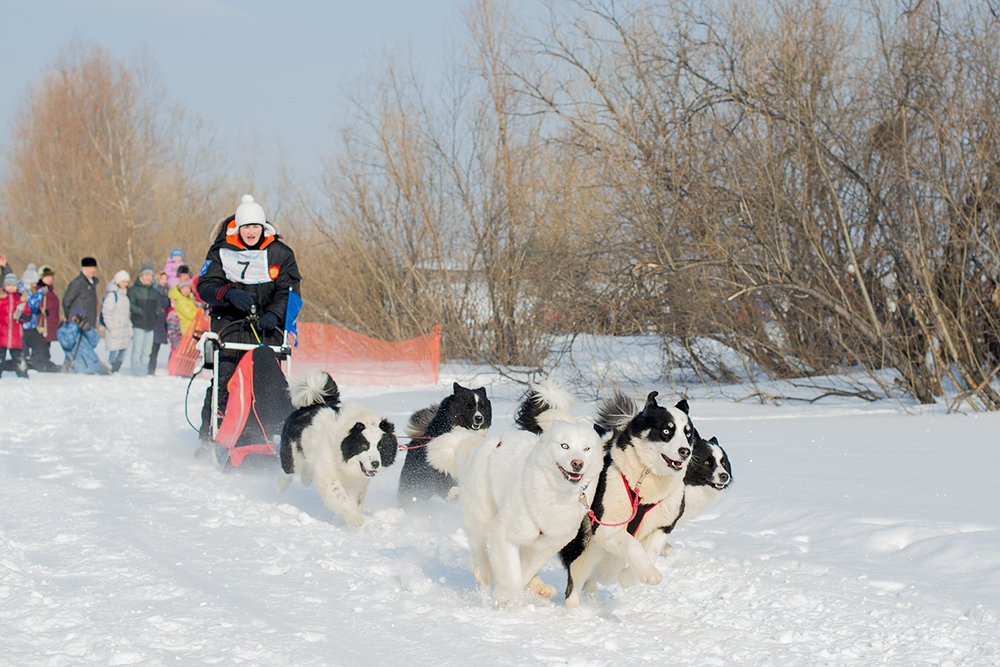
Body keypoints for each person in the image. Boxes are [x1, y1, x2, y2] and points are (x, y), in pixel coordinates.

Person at [196, 194, 301, 451]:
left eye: (256, 226)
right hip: (230, 325)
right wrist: (228, 294)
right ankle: (212, 435)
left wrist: (274, 315)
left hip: (267, 329)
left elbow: (290, 292)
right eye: (246, 227)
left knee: (267, 381)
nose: (251, 232)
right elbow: (205, 286)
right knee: (225, 380)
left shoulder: (280, 253)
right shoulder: (221, 251)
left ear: (263, 227)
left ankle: (266, 433)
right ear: (238, 228)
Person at [24, 265, 61, 372]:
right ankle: (38, 364)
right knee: (41, 346)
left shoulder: (49, 291)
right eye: (46, 277)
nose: (49, 279)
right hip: (41, 324)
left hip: (50, 324)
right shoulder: (39, 291)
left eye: (51, 277)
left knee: (46, 346)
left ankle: (42, 362)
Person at [128, 264, 159, 376]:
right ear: (141, 276)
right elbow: (131, 305)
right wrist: (140, 312)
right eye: (146, 275)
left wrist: (155, 314)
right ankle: (135, 372)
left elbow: (158, 307)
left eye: (150, 275)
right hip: (138, 324)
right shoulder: (134, 290)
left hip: (150, 325)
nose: (148, 278)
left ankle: (143, 371)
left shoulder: (154, 292)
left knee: (147, 351)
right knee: (137, 349)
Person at [1, 273, 31, 378]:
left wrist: (22, 316)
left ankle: (23, 376)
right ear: (4, 286)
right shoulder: (1, 299)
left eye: (14, 285)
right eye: (9, 285)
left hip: (15, 335)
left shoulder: (20, 299)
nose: (11, 287)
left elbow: (27, 314)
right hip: (1, 334)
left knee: (19, 358)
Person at [58, 306, 103, 375]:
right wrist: (74, 325)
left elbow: (94, 342)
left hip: (92, 367)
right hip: (77, 369)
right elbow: (67, 344)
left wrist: (88, 330)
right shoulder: (63, 330)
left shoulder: (84, 331)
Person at [102, 270, 132, 373]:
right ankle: (110, 370)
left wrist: (129, 326)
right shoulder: (112, 295)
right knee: (114, 352)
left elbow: (127, 314)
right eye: (122, 281)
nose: (124, 284)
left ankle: (116, 370)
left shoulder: (125, 297)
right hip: (115, 329)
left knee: (123, 351)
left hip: (123, 329)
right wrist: (112, 328)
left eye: (126, 282)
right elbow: (106, 312)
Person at [63, 257, 100, 330]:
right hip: (78, 325)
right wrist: (71, 317)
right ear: (83, 268)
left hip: (90, 324)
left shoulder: (92, 284)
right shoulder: (78, 283)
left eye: (94, 267)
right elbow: (66, 302)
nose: (93, 270)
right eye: (90, 267)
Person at [149, 271, 170, 374]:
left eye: (165, 279)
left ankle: (153, 367)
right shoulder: (154, 291)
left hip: (163, 321)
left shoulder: (167, 292)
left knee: (157, 346)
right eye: (162, 279)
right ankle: (150, 368)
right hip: (155, 320)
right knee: (152, 346)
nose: (164, 281)